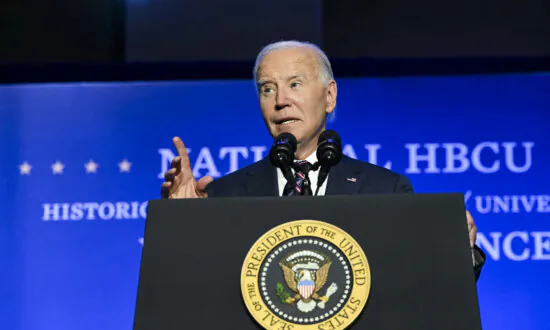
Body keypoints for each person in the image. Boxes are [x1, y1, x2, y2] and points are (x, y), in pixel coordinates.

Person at [160, 40, 486, 279]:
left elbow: (420, 290)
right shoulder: (223, 196)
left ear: (329, 96)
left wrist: (459, 255)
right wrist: (183, 226)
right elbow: (194, 297)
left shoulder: (385, 189)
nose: (281, 101)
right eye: (267, 89)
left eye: (294, 84)